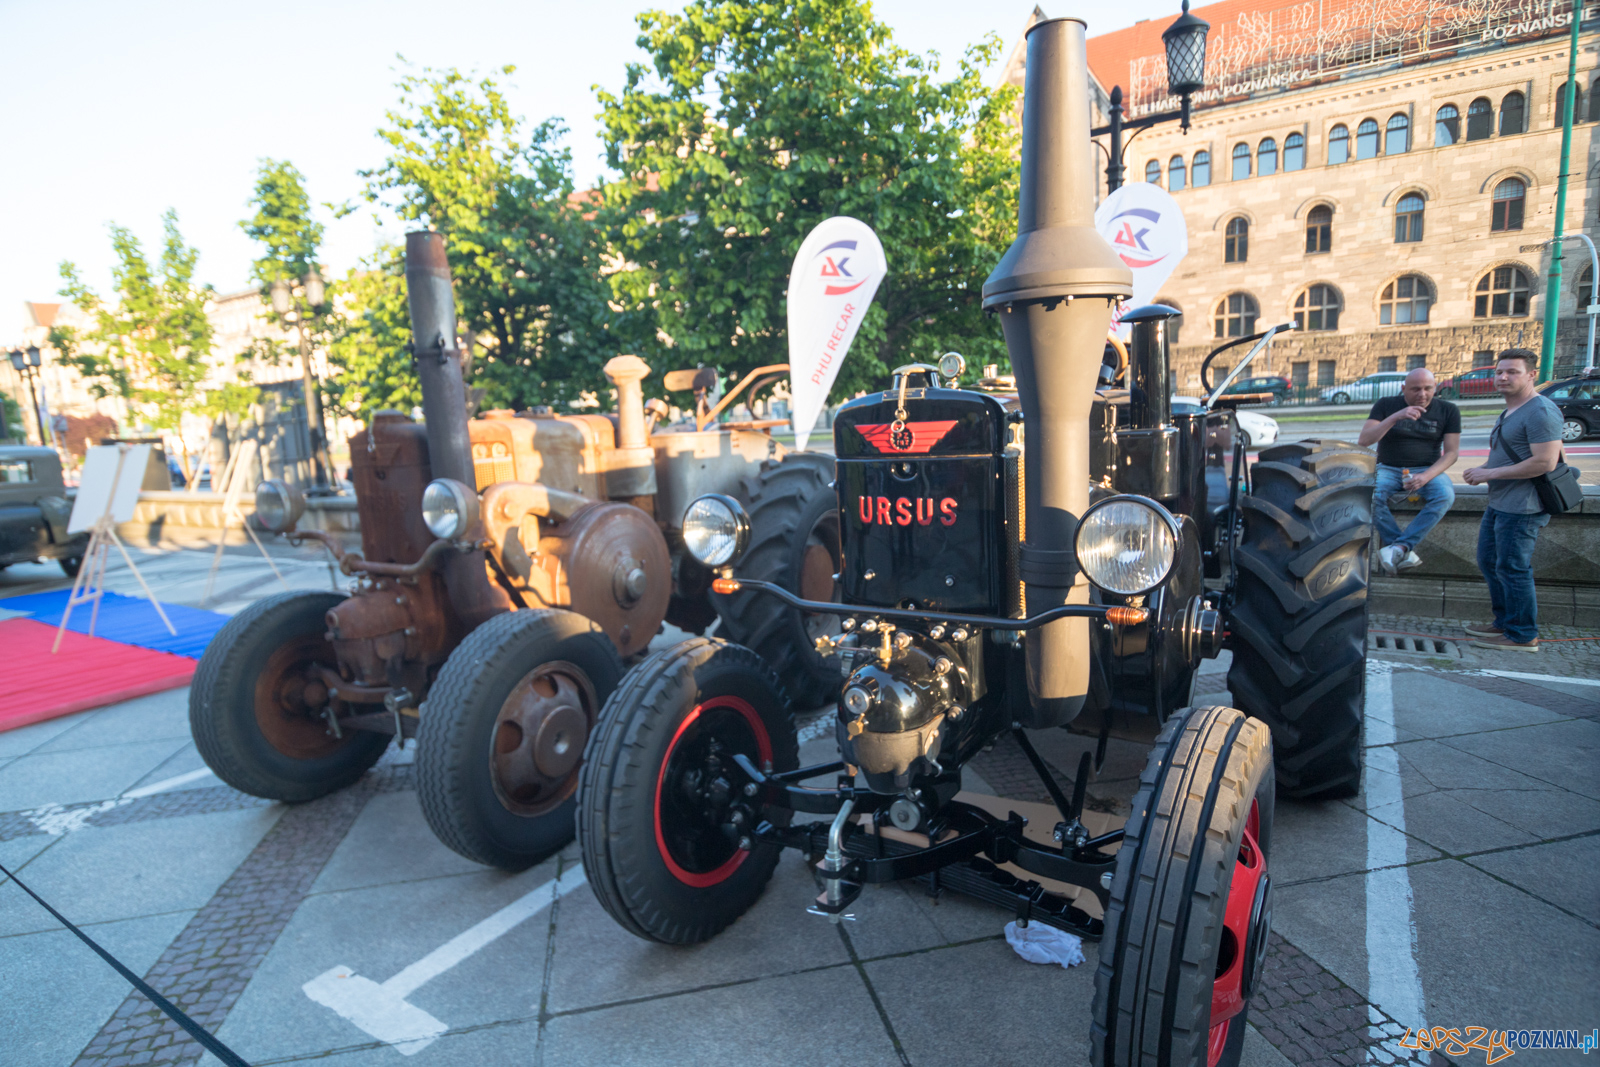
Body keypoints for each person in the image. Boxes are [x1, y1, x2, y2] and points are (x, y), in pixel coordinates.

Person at [1460, 349, 1563, 653]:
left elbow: (1545, 463)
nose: (1503, 377)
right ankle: (1505, 622)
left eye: (1513, 372)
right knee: (1490, 562)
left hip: (1523, 507)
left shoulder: (1540, 411)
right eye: (1499, 372)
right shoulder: (1512, 409)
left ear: (1532, 375)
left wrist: (1489, 472)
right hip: (1502, 502)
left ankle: (1522, 634)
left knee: (1513, 569)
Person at [1358, 368, 1460, 575]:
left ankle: (1398, 547)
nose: (1422, 394)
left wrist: (1426, 477)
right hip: (1388, 467)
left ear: (1436, 388)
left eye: (1427, 389)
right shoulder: (1386, 405)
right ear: (1403, 388)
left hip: (1428, 468)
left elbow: (1451, 454)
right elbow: (1365, 441)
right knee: (1369, 494)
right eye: (1415, 389)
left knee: (1445, 495)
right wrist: (1395, 417)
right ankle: (1401, 547)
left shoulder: (1448, 410)